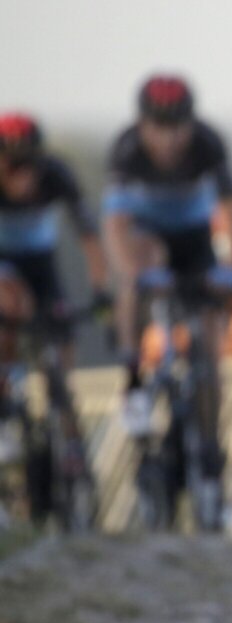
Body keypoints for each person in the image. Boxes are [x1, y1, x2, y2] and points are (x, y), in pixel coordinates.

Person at [102, 74, 232, 512]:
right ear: (143, 125)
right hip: (147, 234)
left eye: (178, 127)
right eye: (159, 128)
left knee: (209, 339)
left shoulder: (208, 143)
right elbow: (115, 226)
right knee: (138, 271)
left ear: (191, 123)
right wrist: (132, 273)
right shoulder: (126, 149)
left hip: (194, 237)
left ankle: (210, 442)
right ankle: (133, 376)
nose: (169, 139)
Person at [0, 112, 109, 459]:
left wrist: (101, 291)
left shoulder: (56, 175)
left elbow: (89, 236)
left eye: (29, 165)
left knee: (61, 341)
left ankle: (70, 444)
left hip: (41, 267)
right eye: (13, 166)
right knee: (13, 305)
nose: (23, 176)